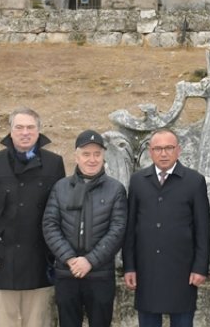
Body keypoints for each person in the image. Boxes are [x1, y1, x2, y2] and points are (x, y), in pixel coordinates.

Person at [0, 107, 65, 327]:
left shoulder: (54, 163)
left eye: (30, 127)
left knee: (38, 321)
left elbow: (60, 210)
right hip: (0, 260)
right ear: (10, 132)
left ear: (39, 131)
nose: (25, 132)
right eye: (19, 127)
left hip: (40, 260)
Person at [123, 128, 210, 327]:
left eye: (169, 148)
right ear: (150, 151)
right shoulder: (138, 181)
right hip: (147, 271)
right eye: (158, 148)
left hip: (182, 272)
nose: (164, 153)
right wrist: (129, 266)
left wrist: (200, 267)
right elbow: (130, 228)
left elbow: (202, 229)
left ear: (178, 150)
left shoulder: (194, 181)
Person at [42, 130, 128, 327]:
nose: (92, 159)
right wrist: (70, 259)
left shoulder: (115, 189)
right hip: (67, 273)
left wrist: (90, 261)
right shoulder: (60, 187)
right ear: (76, 156)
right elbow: (50, 225)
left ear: (103, 157)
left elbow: (117, 229)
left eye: (97, 154)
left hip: (100, 275)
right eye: (86, 154)